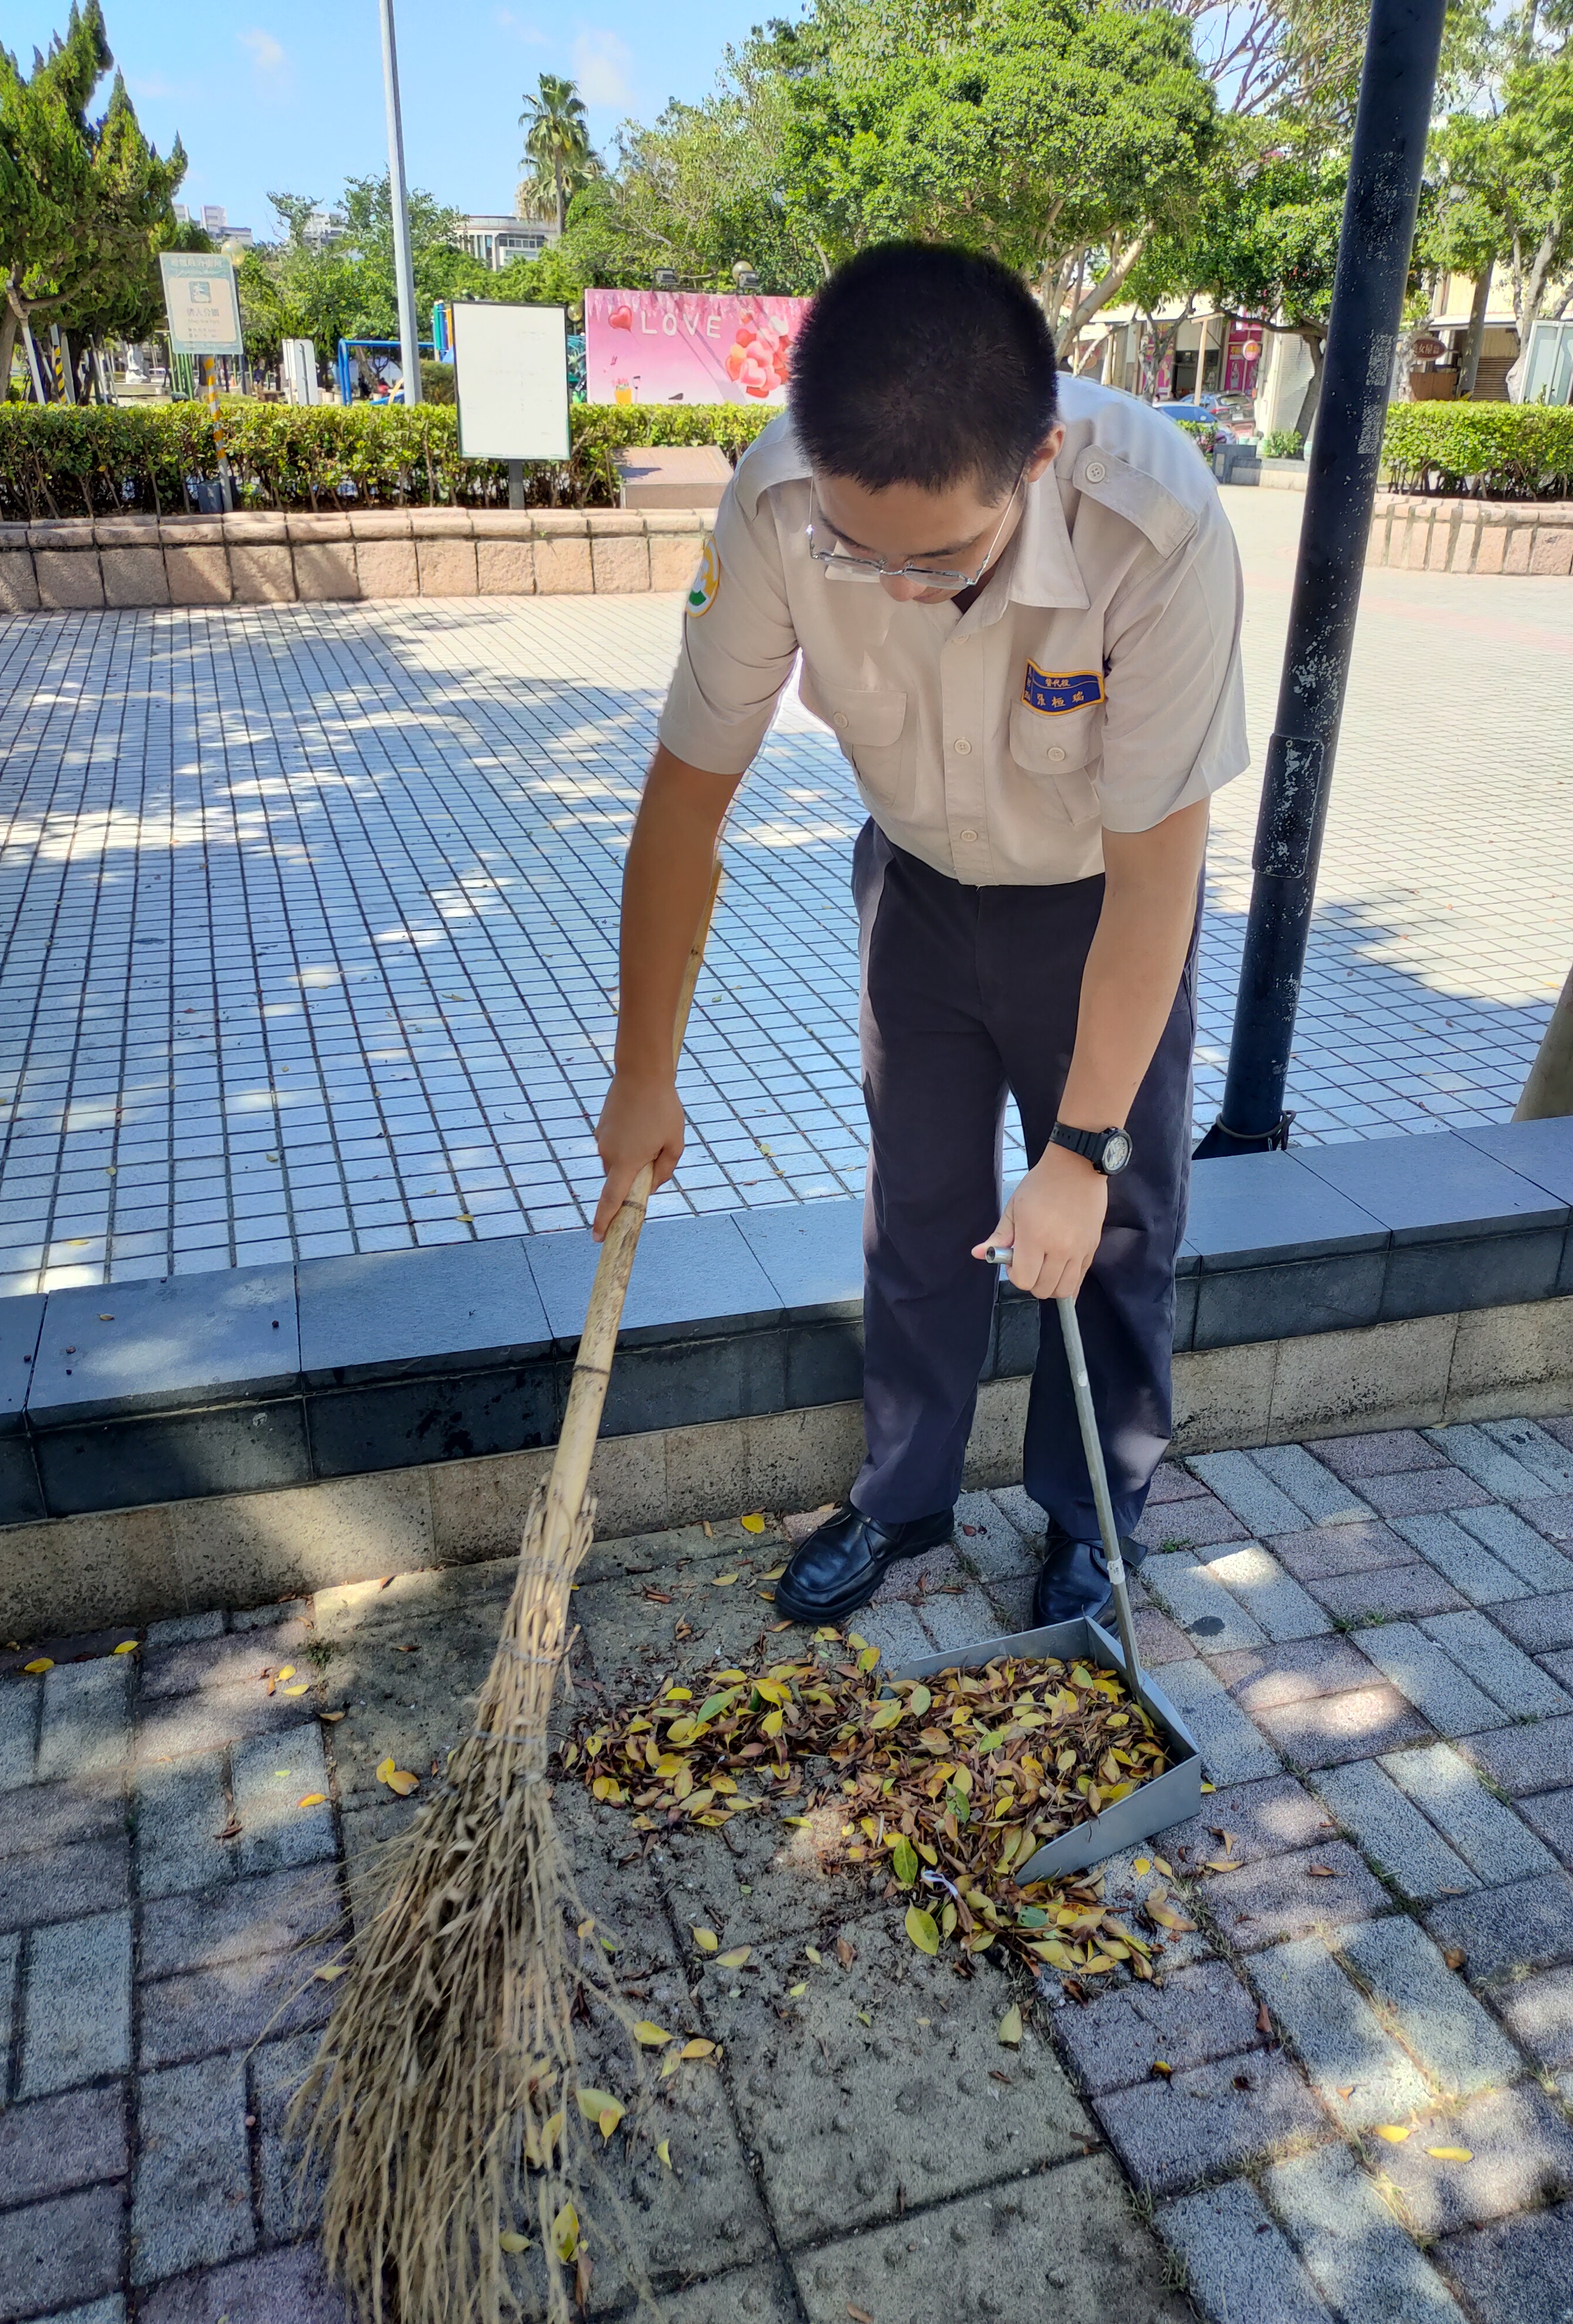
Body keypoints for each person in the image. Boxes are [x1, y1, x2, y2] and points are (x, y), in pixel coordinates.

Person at [592, 241, 1247, 1630]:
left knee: (1114, 1223)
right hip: (919, 887)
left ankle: (1090, 1517)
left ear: (1040, 455)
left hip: (1100, 906)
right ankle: (903, 1491)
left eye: (940, 556)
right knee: (921, 1204)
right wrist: (641, 1063)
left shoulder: (1158, 525)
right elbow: (682, 803)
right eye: (857, 548)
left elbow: (1157, 879)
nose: (891, 586)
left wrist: (1075, 1154)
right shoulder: (778, 502)